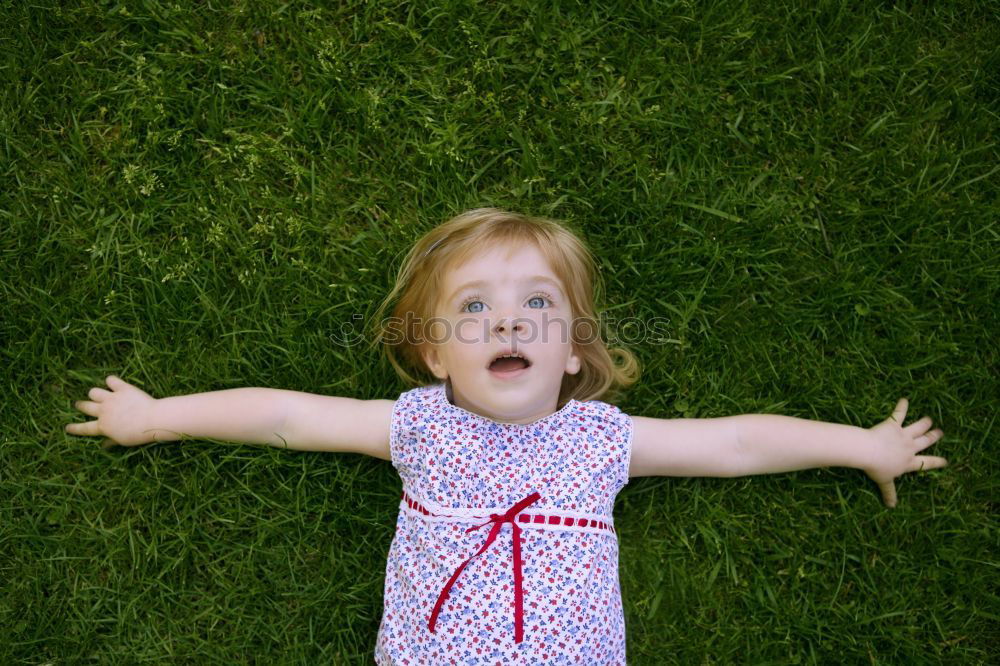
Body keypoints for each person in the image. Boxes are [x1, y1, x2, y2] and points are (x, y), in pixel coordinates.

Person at [65, 208, 948, 665]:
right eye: (474, 309)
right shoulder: (415, 427)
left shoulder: (602, 439)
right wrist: (156, 416)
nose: (508, 324)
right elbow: (287, 417)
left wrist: (860, 443)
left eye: (538, 304)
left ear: (573, 352)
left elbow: (736, 446)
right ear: (433, 355)